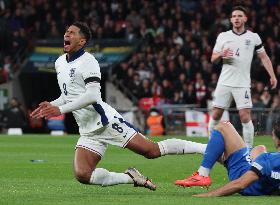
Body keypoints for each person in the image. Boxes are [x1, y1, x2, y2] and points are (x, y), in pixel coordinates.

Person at [30, 22, 207, 190]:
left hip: (105, 122)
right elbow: (69, 95)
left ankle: (206, 149)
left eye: (72, 33)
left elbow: (92, 95)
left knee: (151, 151)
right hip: (87, 128)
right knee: (83, 174)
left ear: (82, 41)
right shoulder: (60, 62)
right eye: (66, 32)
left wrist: (59, 110)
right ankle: (130, 177)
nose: (66, 34)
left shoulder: (88, 61)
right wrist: (52, 104)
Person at [208, 6, 278, 148]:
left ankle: (248, 151)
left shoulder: (253, 37)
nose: (236, 18)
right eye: (234, 16)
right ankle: (211, 146)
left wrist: (272, 75)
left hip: (242, 83)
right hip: (225, 82)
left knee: (245, 116)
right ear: (231, 20)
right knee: (215, 115)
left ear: (245, 18)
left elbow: (264, 57)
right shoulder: (223, 36)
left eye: (239, 16)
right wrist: (221, 54)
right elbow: (212, 58)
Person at [175, 120, 280, 196]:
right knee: (260, 148)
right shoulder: (270, 160)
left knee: (223, 126)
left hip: (242, 175)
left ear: (277, 140)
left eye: (273, 135)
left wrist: (209, 195)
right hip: (261, 184)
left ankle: (202, 174)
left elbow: (240, 184)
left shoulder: (267, 160)